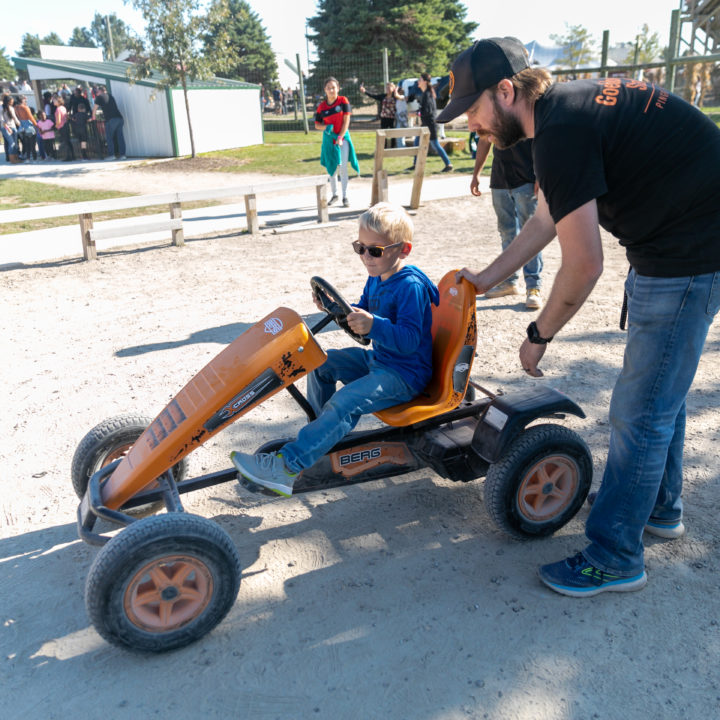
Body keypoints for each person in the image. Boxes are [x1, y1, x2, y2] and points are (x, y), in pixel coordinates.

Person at [437, 37, 720, 597]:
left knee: (640, 412)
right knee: (661, 393)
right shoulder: (560, 116)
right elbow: (547, 216)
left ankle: (616, 555)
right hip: (675, 243)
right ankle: (659, 507)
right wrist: (485, 279)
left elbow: (585, 263)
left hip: (690, 254)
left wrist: (539, 333)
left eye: (472, 110)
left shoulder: (560, 132)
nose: (471, 127)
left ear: (505, 90)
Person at [230, 201, 439, 496]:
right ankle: (320, 434)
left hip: (405, 375)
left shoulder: (410, 287)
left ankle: (286, 467)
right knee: (320, 363)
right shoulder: (377, 277)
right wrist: (333, 307)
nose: (366, 257)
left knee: (346, 401)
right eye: (360, 248)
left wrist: (374, 325)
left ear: (403, 250)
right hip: (380, 361)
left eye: (375, 250)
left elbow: (409, 340)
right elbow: (361, 312)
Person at [471, 136, 543, 309]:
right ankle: (509, 282)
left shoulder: (528, 109)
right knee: (506, 232)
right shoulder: (490, 111)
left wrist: (541, 175)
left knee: (531, 234)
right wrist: (476, 174)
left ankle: (534, 287)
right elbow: (484, 140)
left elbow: (543, 140)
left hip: (527, 178)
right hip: (500, 179)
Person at [315, 76, 359, 208]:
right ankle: (334, 194)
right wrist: (326, 127)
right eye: (328, 88)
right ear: (325, 90)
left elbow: (346, 121)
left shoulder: (343, 101)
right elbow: (317, 125)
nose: (331, 90)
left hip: (343, 138)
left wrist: (340, 137)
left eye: (333, 87)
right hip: (329, 140)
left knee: (343, 167)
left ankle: (345, 196)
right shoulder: (321, 107)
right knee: (332, 168)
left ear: (338, 88)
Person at [410, 73, 453, 173]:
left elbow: (427, 111)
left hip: (430, 124)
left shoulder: (428, 94)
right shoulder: (426, 93)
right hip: (426, 124)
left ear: (425, 81)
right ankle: (415, 165)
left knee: (435, 145)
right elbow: (424, 110)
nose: (418, 81)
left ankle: (448, 164)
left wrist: (416, 113)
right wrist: (417, 112)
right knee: (417, 142)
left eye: (420, 79)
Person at [359, 81, 401, 147]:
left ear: (393, 88)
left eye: (390, 87)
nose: (388, 88)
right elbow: (373, 96)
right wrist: (365, 91)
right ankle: (384, 147)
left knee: (393, 133)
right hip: (384, 118)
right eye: (387, 87)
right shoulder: (383, 96)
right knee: (383, 133)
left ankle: (393, 147)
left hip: (393, 118)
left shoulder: (396, 97)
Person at [92, 86, 126, 160]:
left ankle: (112, 155)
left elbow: (94, 109)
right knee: (120, 137)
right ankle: (123, 155)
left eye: (97, 91)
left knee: (109, 137)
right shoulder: (110, 96)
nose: (97, 93)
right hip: (119, 118)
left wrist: (93, 118)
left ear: (100, 91)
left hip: (111, 120)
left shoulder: (99, 97)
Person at [14, 95, 38, 162]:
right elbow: (31, 118)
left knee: (26, 143)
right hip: (28, 126)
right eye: (25, 99)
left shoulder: (16, 107)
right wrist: (36, 125)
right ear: (22, 100)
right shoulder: (25, 107)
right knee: (32, 143)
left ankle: (27, 158)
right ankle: (34, 158)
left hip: (22, 126)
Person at [2, 93, 22, 163]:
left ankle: (16, 158)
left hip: (13, 126)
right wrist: (8, 128)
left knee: (16, 144)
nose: (12, 102)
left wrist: (19, 123)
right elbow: (1, 120)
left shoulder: (11, 108)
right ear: (8, 101)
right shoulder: (1, 108)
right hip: (6, 128)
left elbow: (14, 117)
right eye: (11, 101)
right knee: (11, 143)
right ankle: (12, 159)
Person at [53, 95, 74, 161]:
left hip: (61, 127)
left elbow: (58, 120)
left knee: (65, 142)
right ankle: (72, 155)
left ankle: (68, 156)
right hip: (66, 125)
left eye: (54, 100)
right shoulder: (63, 108)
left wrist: (55, 126)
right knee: (68, 141)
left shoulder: (58, 109)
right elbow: (66, 117)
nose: (53, 101)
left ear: (58, 101)